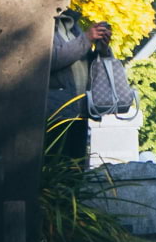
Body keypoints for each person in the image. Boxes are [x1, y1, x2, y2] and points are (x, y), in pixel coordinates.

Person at [46, 9, 111, 162]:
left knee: (76, 169)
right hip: (56, 114)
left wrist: (102, 49)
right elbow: (50, 60)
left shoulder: (74, 27)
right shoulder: (45, 24)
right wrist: (86, 38)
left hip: (80, 111)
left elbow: (89, 65)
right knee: (56, 165)